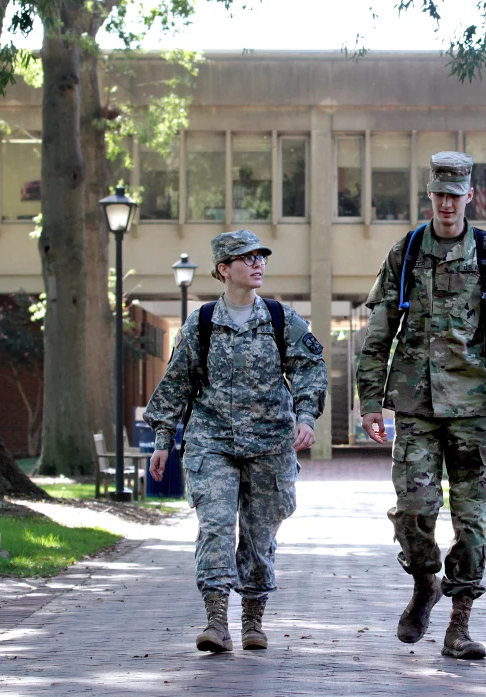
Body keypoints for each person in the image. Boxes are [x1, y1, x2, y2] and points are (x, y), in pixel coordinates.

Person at [356, 152, 486, 660]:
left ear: (470, 197)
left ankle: (460, 624)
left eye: (456, 195)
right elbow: (378, 333)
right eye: (440, 194)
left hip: (475, 409)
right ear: (430, 195)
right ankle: (424, 583)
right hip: (416, 406)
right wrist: (371, 399)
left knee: (471, 521)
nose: (448, 203)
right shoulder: (407, 251)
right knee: (413, 513)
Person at [144, 229, 327, 654]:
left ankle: (253, 620)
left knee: (260, 535)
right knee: (216, 528)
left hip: (270, 445)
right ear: (224, 269)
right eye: (247, 258)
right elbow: (176, 383)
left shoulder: (282, 319)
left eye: (261, 257)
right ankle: (215, 621)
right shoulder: (202, 323)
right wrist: (162, 440)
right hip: (212, 442)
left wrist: (306, 417)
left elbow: (309, 368)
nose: (258, 263)